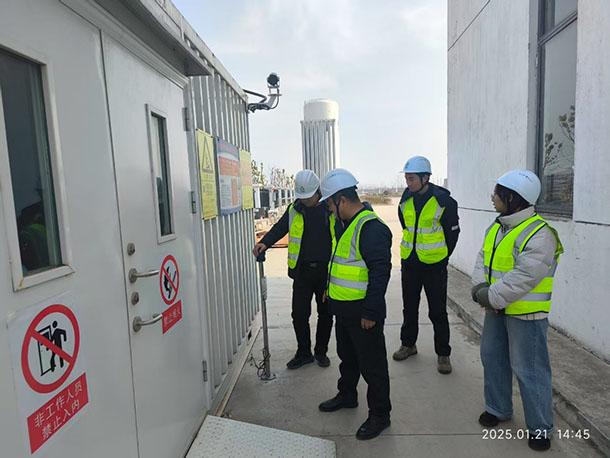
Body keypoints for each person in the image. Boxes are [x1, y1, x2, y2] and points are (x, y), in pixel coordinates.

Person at [472, 170, 563, 452]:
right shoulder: (497, 227)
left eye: (497, 193)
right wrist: (479, 288)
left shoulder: (540, 234)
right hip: (496, 309)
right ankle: (497, 408)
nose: (493, 198)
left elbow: (525, 276)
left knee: (530, 370)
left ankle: (540, 427)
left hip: (526, 314)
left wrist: (490, 296)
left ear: (512, 198)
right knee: (493, 357)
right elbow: (482, 259)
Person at [317, 168, 393, 441]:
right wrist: (329, 289)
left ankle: (380, 415)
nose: (328, 208)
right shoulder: (345, 224)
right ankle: (347, 395)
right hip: (344, 309)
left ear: (341, 199)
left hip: (363, 313)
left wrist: (371, 311)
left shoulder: (371, 228)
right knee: (347, 358)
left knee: (372, 366)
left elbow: (380, 273)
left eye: (329, 203)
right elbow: (342, 262)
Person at [252, 170, 334, 369]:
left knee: (325, 314)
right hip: (302, 272)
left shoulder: (330, 209)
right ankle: (304, 353)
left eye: (308, 197)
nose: (305, 200)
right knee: (299, 314)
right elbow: (280, 228)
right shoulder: (294, 209)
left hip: (326, 272)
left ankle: (321, 352)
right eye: (302, 197)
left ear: (318, 191)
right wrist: (265, 243)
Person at [392, 156, 460, 374]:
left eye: (411, 179)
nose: (408, 183)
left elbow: (452, 234)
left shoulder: (444, 201)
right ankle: (408, 345)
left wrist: (442, 257)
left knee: (437, 311)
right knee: (409, 307)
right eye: (406, 179)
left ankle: (443, 353)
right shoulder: (405, 199)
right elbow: (405, 225)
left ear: (425, 178)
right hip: (410, 263)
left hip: (434, 266)